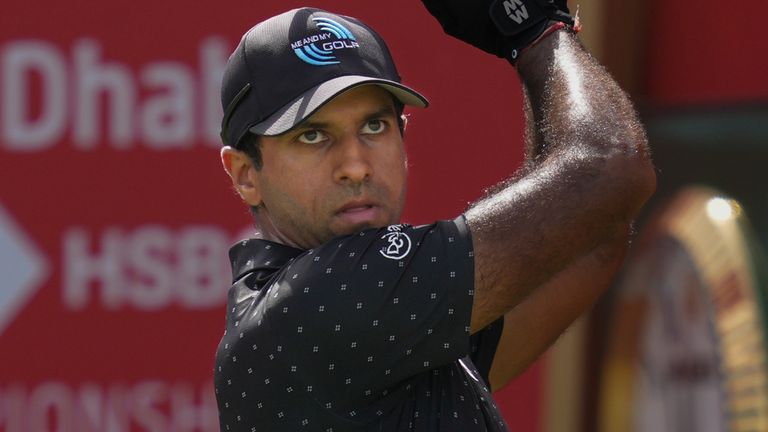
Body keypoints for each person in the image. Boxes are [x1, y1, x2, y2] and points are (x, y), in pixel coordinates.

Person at [214, 1, 655, 431]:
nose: (356, 165)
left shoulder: (385, 324)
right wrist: (533, 31)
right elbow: (608, 168)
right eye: (312, 136)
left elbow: (589, 239)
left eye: (374, 126)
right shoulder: (316, 304)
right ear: (245, 174)